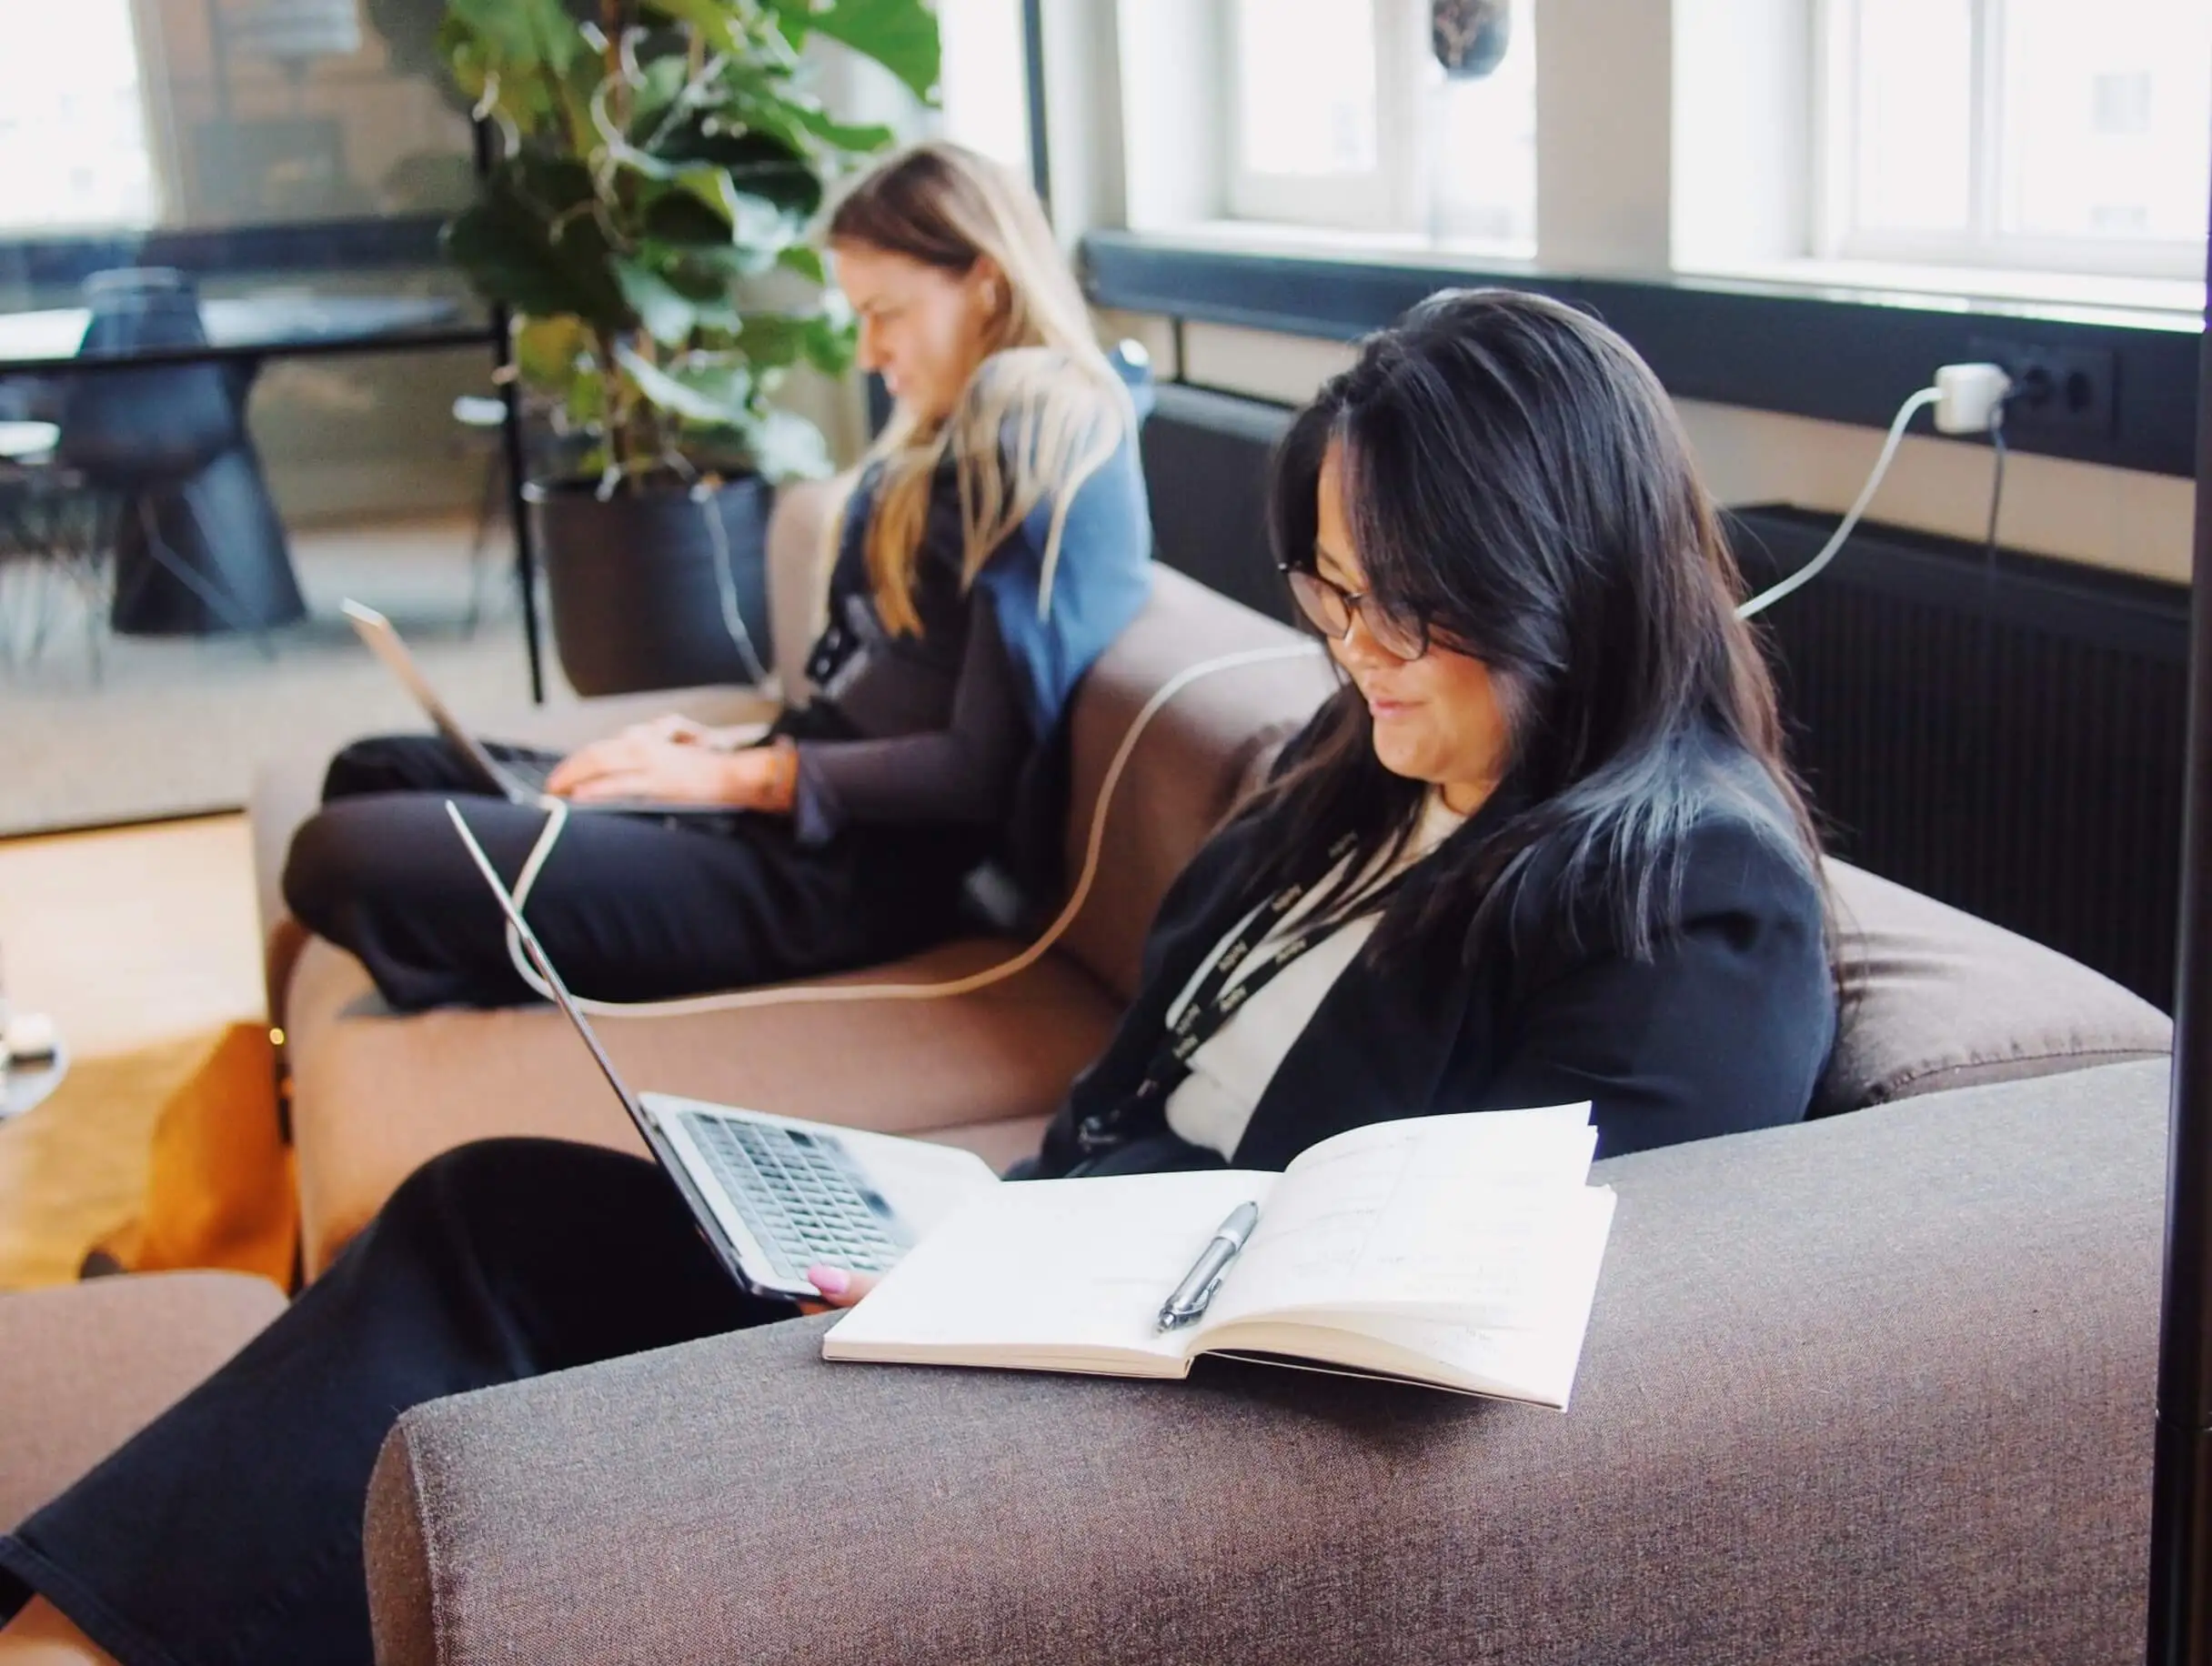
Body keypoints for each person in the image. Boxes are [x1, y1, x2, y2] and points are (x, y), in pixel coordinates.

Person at [0, 289, 1838, 1665]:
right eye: (1330, 592)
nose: (1354, 650)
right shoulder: (1360, 765)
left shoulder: (1692, 903)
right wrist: (961, 1218)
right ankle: (79, 1617)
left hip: (1153, 1397)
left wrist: (1078, 1269)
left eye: (1401, 605)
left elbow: (1565, 1356)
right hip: (1032, 1253)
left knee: (507, 1324)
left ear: (1561, 575)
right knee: (486, 1216)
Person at [280, 141, 1154, 1011]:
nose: (866, 352)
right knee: (377, 768)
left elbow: (979, 774)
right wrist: (715, 754)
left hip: (853, 873)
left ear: (987, 282)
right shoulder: (951, 431)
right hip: (800, 802)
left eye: (886, 312)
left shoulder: (1037, 431)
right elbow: (867, 699)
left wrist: (736, 779)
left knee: (341, 855)